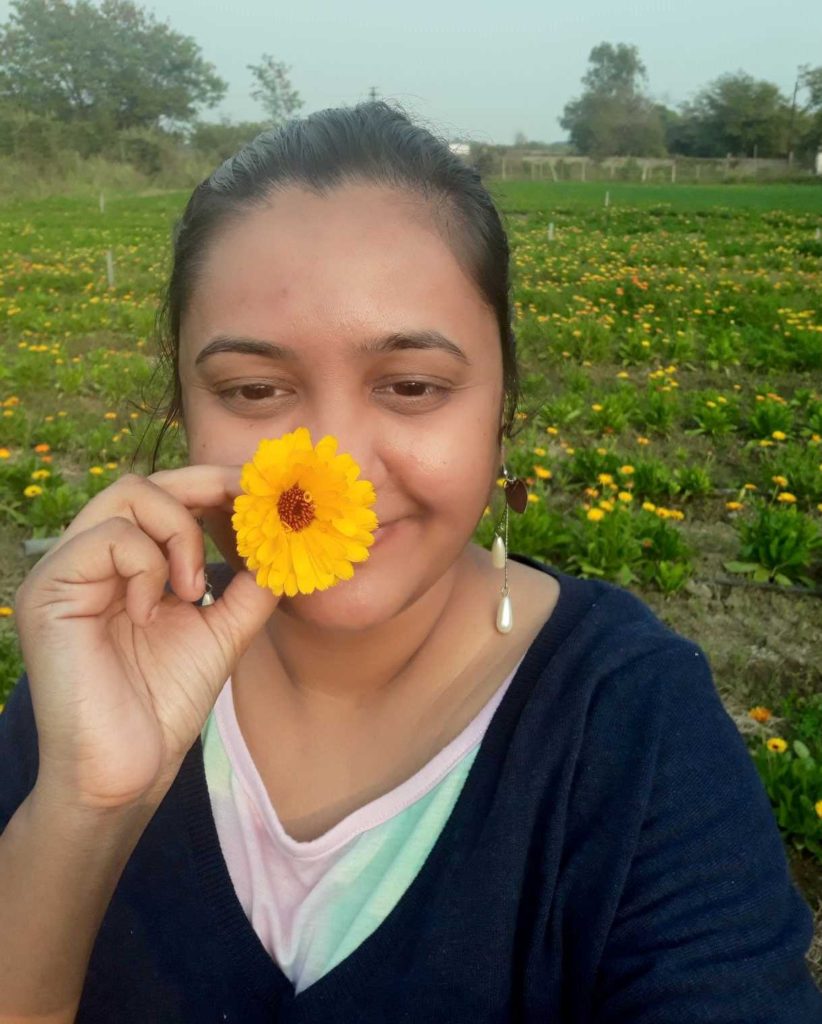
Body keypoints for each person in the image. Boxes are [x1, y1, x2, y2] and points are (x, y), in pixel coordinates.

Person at [1, 101, 820, 1023]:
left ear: (502, 404)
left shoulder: (631, 729)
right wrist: (82, 808)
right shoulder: (99, 680)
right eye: (255, 390)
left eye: (414, 387)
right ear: (185, 407)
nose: (336, 463)